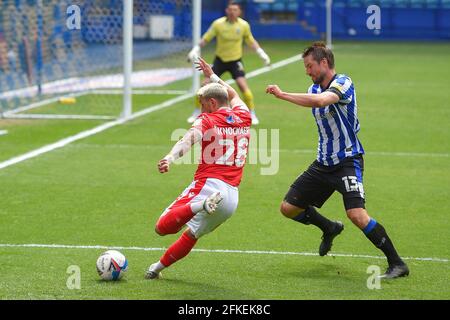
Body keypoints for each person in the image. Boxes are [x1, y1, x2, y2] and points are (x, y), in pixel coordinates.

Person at [265, 42, 409, 279]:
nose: (307, 71)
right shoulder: (313, 89)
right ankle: (329, 227)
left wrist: (282, 95)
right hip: (323, 163)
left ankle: (397, 263)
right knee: (288, 208)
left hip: (347, 160)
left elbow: (323, 101)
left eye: (310, 66)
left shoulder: (343, 82)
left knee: (357, 215)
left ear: (324, 63)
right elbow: (313, 99)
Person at [145, 57, 252, 279]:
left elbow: (187, 139)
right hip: (231, 198)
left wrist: (170, 157)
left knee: (161, 228)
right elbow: (233, 95)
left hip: (209, 186)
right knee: (192, 234)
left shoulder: (207, 120)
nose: (200, 107)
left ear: (212, 103)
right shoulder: (244, 116)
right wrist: (213, 76)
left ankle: (199, 205)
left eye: (202, 102)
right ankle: (156, 269)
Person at [186, 1, 270, 125]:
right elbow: (206, 38)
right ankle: (196, 112)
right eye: (230, 9)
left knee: (243, 86)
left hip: (235, 61)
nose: (232, 12)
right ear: (226, 11)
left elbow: (250, 40)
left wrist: (261, 53)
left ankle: (252, 113)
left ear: (239, 12)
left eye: (235, 10)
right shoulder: (218, 24)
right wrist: (195, 48)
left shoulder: (243, 25)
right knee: (204, 86)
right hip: (220, 60)